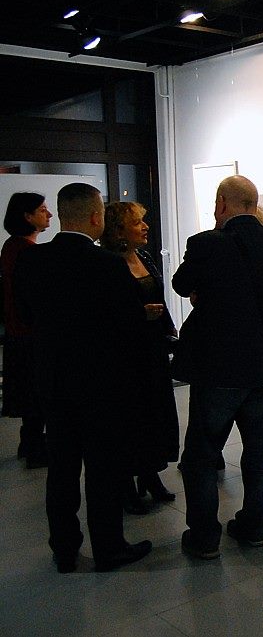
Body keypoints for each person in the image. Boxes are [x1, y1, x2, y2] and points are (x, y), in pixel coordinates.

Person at [15, 182, 152, 573]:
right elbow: (128, 326)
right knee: (102, 468)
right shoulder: (107, 265)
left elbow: (24, 315)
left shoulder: (32, 260)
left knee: (61, 468)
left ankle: (64, 549)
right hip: (101, 383)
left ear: (62, 214)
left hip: (53, 380)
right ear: (96, 217)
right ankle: (108, 548)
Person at [172, 175, 263, 559]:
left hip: (217, 368)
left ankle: (205, 538)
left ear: (222, 203)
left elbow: (180, 284)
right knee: (259, 452)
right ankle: (255, 526)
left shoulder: (206, 243)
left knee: (202, 456)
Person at [100, 202, 180, 513]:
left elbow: (158, 296)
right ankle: (125, 485)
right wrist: (139, 315)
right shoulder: (107, 263)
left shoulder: (144, 256)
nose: (145, 227)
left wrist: (168, 327)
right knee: (130, 417)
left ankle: (150, 474)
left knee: (153, 413)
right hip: (124, 354)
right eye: (137, 222)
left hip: (152, 349)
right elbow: (106, 312)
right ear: (118, 229)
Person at [1, 192, 52, 468]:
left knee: (30, 393)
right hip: (29, 334)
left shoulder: (12, 247)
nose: (49, 214)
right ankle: (34, 448)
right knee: (36, 393)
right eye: (42, 210)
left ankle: (29, 442)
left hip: (19, 333)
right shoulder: (26, 252)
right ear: (28, 216)